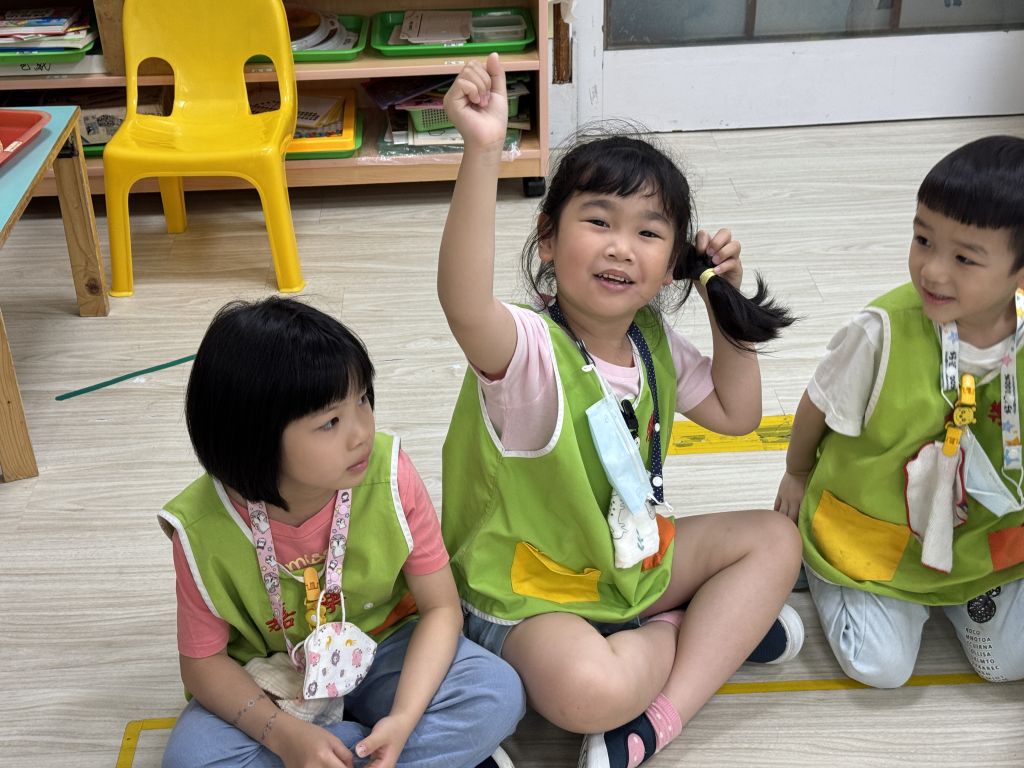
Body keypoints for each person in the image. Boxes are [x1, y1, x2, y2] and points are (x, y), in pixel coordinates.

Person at [437, 53, 804, 768]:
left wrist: (722, 300)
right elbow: (463, 301)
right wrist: (483, 151)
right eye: (598, 220)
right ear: (548, 238)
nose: (620, 247)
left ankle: (657, 718)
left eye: (648, 232)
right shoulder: (528, 353)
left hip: (628, 563)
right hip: (532, 593)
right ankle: (693, 634)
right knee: (589, 692)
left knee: (776, 542)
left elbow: (737, 412)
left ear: (670, 267)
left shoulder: (650, 338)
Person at [159, 297, 524, 768]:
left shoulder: (389, 475)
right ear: (253, 437)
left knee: (496, 694)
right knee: (191, 760)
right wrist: (284, 735)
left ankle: (355, 750)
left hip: (384, 644)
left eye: (363, 400)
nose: (361, 433)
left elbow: (441, 609)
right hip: (271, 674)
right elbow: (203, 664)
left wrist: (404, 719)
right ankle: (374, 751)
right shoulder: (200, 527)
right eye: (330, 422)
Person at [775, 135, 1024, 689]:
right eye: (922, 239)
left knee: (1009, 663)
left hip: (982, 540)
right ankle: (819, 568)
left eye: (964, 258)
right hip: (873, 537)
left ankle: (964, 593)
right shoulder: (881, 331)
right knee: (880, 669)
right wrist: (795, 472)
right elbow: (817, 403)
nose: (932, 270)